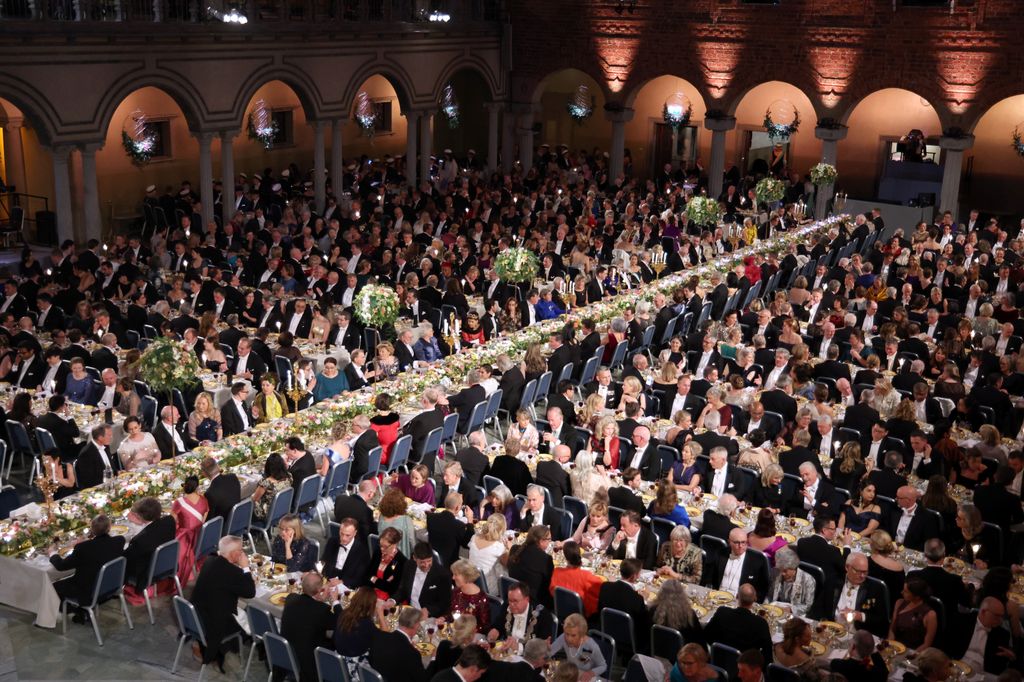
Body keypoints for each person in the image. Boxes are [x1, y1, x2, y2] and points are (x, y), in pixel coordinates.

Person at [190, 536, 256, 669]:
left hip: (197, 616)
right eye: (241, 550)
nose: (242, 553)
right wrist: (246, 568)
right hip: (214, 623)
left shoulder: (209, 560)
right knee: (250, 618)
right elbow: (250, 592)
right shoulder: (233, 572)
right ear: (233, 554)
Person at [49, 514, 126, 623]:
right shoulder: (119, 540)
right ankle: (80, 611)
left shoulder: (83, 548)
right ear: (109, 527)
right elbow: (99, 550)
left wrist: (52, 553)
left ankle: (76, 611)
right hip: (111, 585)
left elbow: (61, 566)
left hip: (89, 592)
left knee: (53, 586)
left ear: (92, 529)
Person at [703, 584, 773, 673]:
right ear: (755, 599)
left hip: (718, 665)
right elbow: (767, 656)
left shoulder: (722, 612)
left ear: (737, 596)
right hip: (745, 671)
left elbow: (706, 635)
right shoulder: (760, 624)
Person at [281, 572, 337, 682]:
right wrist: (334, 602)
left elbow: (309, 609)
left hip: (285, 655)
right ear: (319, 590)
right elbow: (339, 623)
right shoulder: (321, 610)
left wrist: (320, 600)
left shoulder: (290, 598)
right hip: (309, 663)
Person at [368, 606, 428, 682]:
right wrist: (433, 659)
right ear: (415, 625)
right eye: (419, 623)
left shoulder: (379, 637)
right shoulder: (412, 654)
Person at [395, 541, 452, 618]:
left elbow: (445, 603)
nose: (426, 565)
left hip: (430, 618)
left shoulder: (442, 575)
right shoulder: (409, 565)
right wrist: (392, 600)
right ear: (414, 558)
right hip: (410, 612)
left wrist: (429, 610)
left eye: (429, 561)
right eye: (422, 562)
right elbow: (402, 590)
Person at [169, 475, 208, 585]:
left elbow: (171, 521)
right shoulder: (204, 499)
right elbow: (203, 519)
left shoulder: (179, 502)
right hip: (200, 535)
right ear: (197, 487)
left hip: (185, 538)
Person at [487, 579, 556, 642]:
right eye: (510, 600)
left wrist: (518, 648)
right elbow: (498, 624)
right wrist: (495, 631)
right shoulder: (507, 606)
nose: (511, 604)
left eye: (515, 601)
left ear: (527, 600)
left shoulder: (543, 615)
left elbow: (541, 646)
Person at [549, 541, 604, 617]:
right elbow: (602, 588)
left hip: (560, 613)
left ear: (565, 556)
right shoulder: (586, 576)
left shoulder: (556, 572)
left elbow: (552, 592)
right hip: (581, 617)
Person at [508, 525, 555, 609]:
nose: (549, 542)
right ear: (541, 541)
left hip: (514, 595)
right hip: (534, 601)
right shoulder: (545, 558)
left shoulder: (514, 549)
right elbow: (549, 583)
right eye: (549, 540)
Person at [549, 613, 607, 678]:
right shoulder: (563, 637)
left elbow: (603, 666)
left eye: (573, 635)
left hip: (587, 677)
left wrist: (591, 673)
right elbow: (549, 652)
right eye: (566, 634)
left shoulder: (591, 646)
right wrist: (544, 649)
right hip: (571, 673)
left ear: (582, 635)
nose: (569, 639)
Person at [650, 578, 705, 647]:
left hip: (657, 651)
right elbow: (700, 642)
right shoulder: (689, 614)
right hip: (683, 655)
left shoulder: (653, 610)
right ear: (682, 594)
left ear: (661, 594)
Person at [889, 576, 938, 652]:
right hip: (895, 647)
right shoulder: (899, 602)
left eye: (906, 592)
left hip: (912, 652)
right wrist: (889, 646)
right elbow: (892, 629)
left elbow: (926, 644)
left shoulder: (930, 615)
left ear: (917, 596)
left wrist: (909, 656)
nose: (901, 592)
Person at [426, 613, 479, 679]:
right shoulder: (470, 655)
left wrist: (433, 658)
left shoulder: (444, 644)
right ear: (474, 631)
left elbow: (434, 671)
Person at [469, 513, 511, 595]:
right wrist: (509, 549)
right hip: (488, 588)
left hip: (471, 580)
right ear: (502, 529)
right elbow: (508, 565)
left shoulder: (474, 537)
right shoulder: (499, 546)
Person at [322, 517, 371, 588]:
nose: (344, 538)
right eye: (342, 534)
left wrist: (342, 582)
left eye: (348, 535)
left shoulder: (362, 552)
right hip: (328, 581)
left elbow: (361, 578)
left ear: (355, 533)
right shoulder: (332, 541)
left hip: (346, 586)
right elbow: (324, 561)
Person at [766, 547, 816, 616]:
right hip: (776, 610)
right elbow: (770, 596)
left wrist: (790, 609)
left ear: (794, 568)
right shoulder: (775, 572)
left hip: (795, 614)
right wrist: (765, 606)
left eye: (785, 571)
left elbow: (807, 606)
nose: (782, 573)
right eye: (780, 569)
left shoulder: (808, 580)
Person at [449, 559, 491, 632]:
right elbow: (451, 614)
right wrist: (443, 618)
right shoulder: (456, 591)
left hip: (471, 637)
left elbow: (484, 627)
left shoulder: (481, 598)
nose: (453, 578)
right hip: (454, 631)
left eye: (456, 574)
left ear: (466, 576)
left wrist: (466, 632)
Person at [368, 526, 406, 600]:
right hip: (371, 592)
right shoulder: (378, 552)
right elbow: (367, 574)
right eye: (381, 545)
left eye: (385, 547)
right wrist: (380, 582)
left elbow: (392, 588)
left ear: (395, 544)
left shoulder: (401, 561)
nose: (382, 549)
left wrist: (374, 579)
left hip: (388, 598)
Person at [251, 453, 292, 522]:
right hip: (282, 508)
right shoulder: (289, 476)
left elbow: (255, 499)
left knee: (246, 499)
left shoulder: (267, 483)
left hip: (268, 513)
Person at [377, 486, 416, 558]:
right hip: (400, 557)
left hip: (382, 554)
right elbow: (412, 543)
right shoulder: (406, 520)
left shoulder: (381, 517)